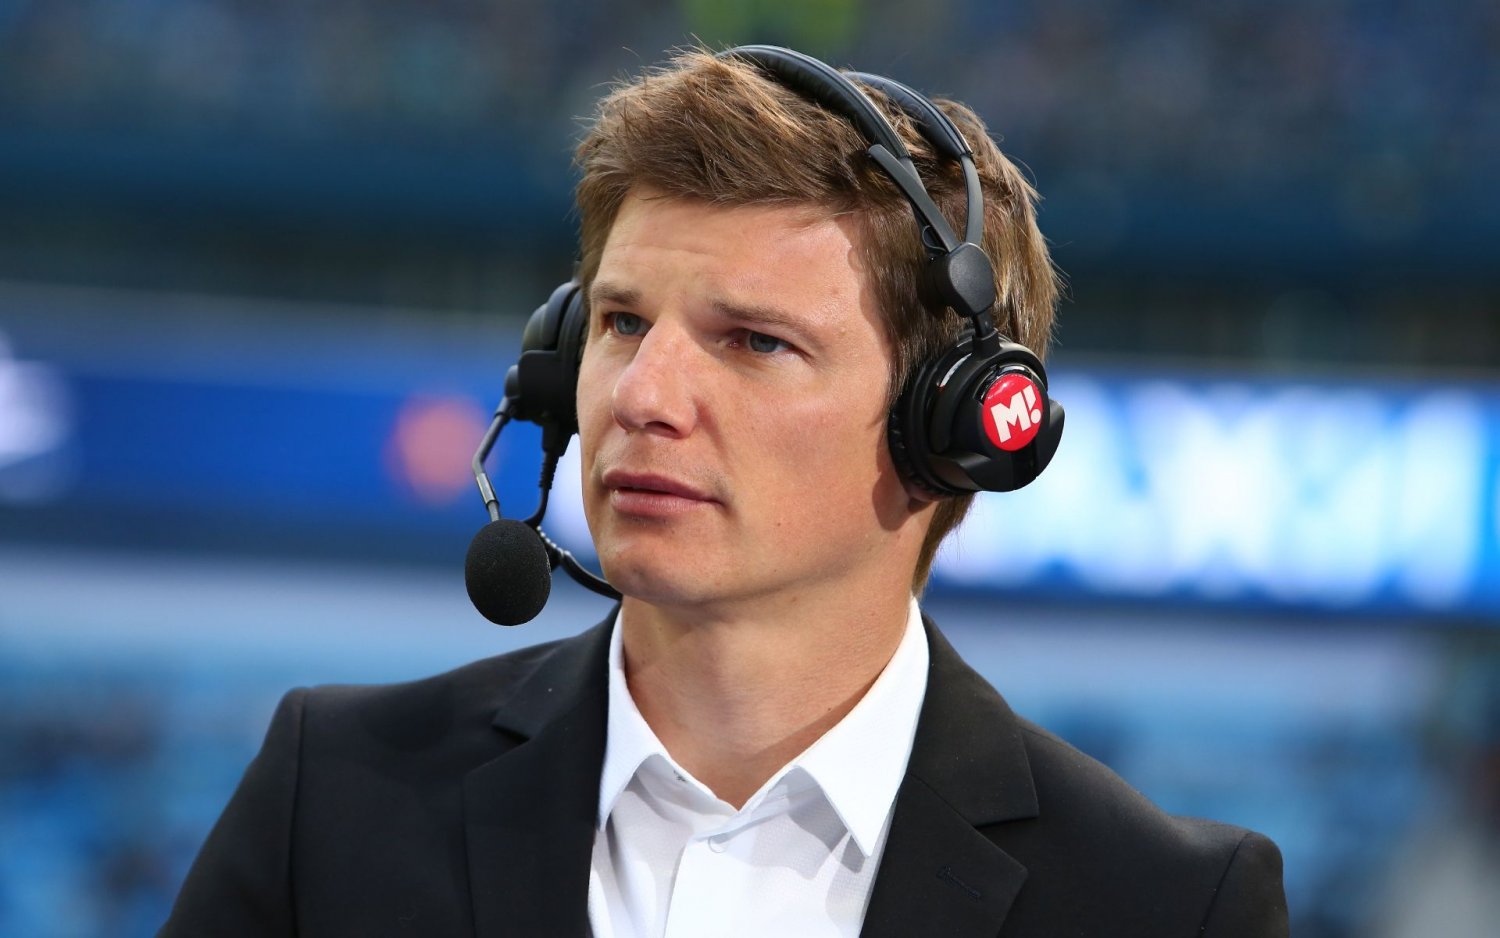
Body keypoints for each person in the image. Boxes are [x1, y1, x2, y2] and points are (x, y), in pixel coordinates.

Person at [161, 45, 1288, 937]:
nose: (642, 395)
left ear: (949, 426)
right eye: (622, 323)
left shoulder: (1163, 903)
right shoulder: (333, 796)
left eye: (754, 341)